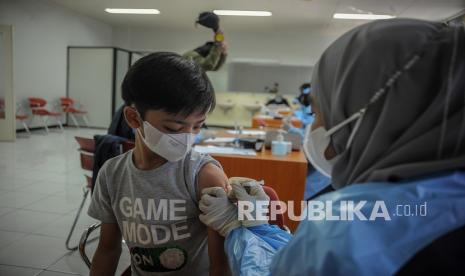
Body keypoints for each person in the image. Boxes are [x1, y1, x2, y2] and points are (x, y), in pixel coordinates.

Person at [198, 18, 465, 275]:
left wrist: (236, 229)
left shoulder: (349, 229)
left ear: (366, 114)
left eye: (319, 113)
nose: (314, 128)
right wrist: (259, 228)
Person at [88, 52, 231, 276]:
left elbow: (221, 265)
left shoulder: (204, 176)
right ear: (134, 119)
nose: (187, 138)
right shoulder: (112, 174)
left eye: (197, 126)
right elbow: (107, 249)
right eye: (174, 128)